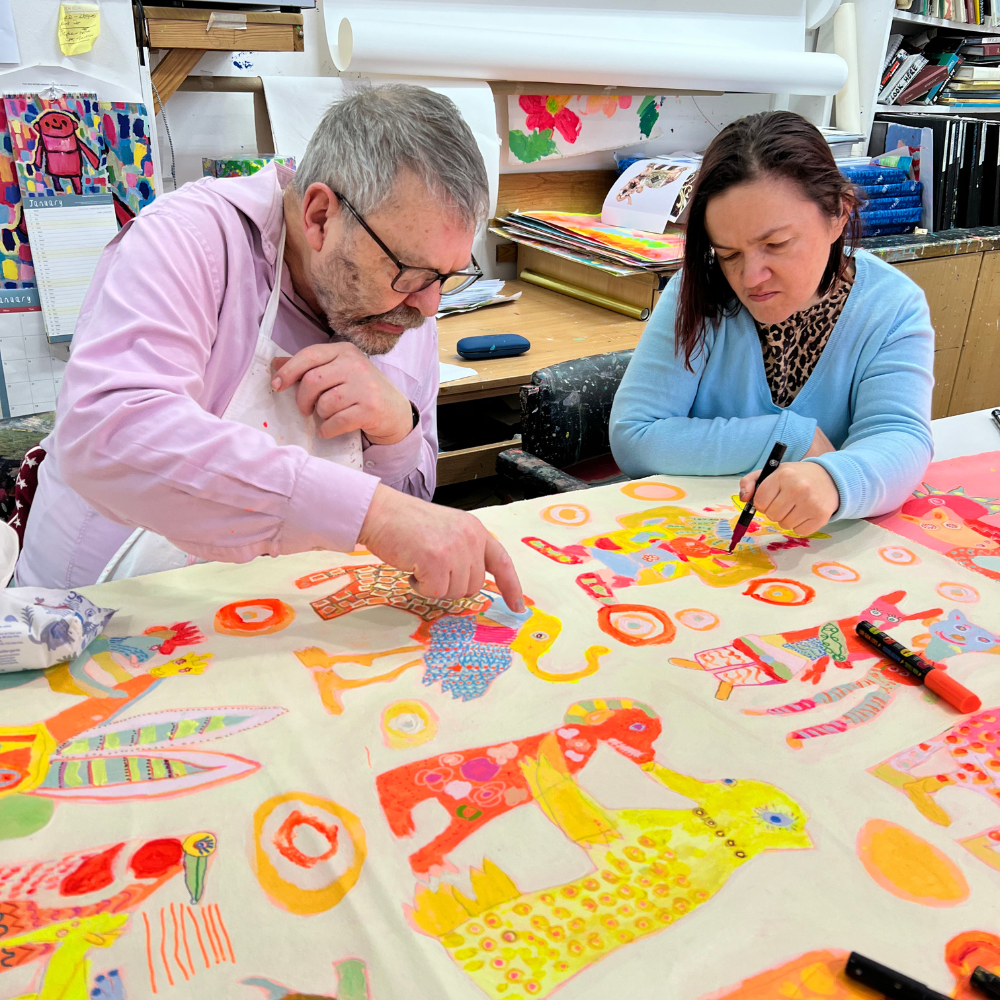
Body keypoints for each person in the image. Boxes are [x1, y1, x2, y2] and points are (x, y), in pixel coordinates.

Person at [15, 84, 523, 610]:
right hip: (101, 614)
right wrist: (370, 513)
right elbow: (108, 435)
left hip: (280, 617)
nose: (428, 306)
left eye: (448, 275)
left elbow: (412, 518)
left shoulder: (407, 304)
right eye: (409, 273)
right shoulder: (189, 239)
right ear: (320, 216)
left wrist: (398, 431)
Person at [610, 111, 934, 537]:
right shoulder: (698, 289)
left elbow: (901, 436)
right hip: (689, 539)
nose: (750, 278)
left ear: (838, 213)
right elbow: (635, 437)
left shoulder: (890, 305)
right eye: (728, 254)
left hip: (815, 554)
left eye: (776, 244)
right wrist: (787, 436)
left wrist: (835, 480)